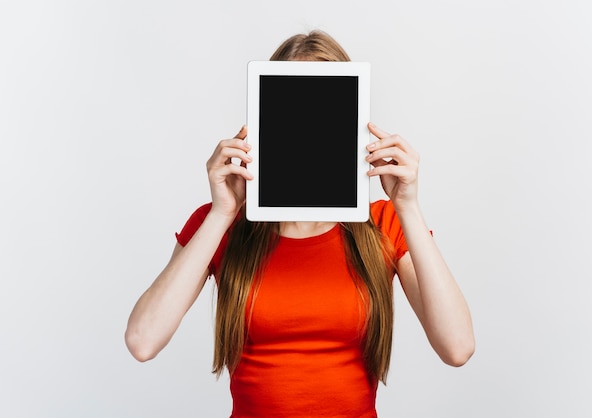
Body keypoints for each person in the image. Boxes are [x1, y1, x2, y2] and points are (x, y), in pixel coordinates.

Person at [125, 30, 475, 417]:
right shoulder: (221, 224)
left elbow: (457, 347)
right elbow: (143, 340)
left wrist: (407, 206)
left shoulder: (384, 223)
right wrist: (222, 213)